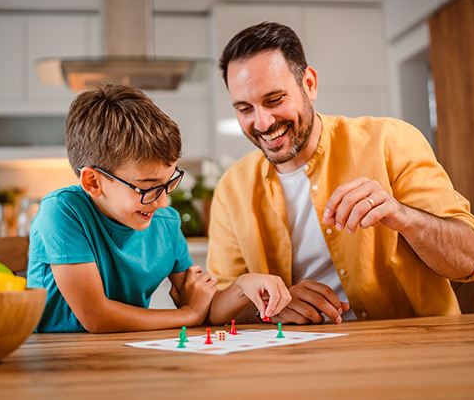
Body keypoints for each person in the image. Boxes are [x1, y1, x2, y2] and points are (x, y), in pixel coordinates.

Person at [207, 22, 474, 325]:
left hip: (408, 350)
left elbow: (470, 260)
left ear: (310, 84)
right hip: (298, 359)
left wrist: (403, 216)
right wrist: (271, 307)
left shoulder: (390, 141)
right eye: (244, 108)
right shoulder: (232, 187)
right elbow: (219, 305)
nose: (262, 122)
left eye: (275, 100)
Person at [27, 84, 291, 333]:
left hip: (127, 353)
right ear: (93, 182)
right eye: (147, 187)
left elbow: (205, 309)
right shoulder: (61, 212)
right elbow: (97, 317)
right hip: (57, 360)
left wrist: (244, 285)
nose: (163, 201)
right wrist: (187, 316)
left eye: (169, 183)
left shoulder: (165, 222)